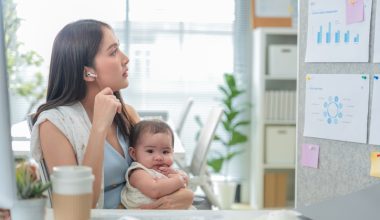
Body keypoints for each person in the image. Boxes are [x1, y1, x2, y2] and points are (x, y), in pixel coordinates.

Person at [30, 19, 193, 209]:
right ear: (88, 73)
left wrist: (185, 195)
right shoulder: (53, 125)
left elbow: (158, 174)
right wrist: (99, 126)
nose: (125, 58)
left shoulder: (127, 114)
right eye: (113, 52)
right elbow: (77, 205)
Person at [120, 120, 191, 209]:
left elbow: (185, 181)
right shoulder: (138, 172)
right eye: (150, 151)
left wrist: (180, 175)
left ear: (172, 152)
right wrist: (179, 181)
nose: (159, 157)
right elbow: (155, 190)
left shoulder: (165, 169)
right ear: (134, 153)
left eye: (165, 152)